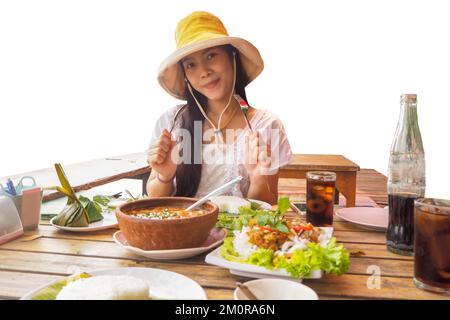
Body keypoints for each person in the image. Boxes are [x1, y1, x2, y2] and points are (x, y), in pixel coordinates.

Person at [146, 11, 292, 204]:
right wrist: (164, 176)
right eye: (191, 65)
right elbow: (154, 200)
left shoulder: (266, 126)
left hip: (240, 234)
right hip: (183, 232)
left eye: (211, 55)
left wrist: (258, 179)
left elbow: (270, 206)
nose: (204, 72)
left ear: (232, 56)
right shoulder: (172, 122)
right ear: (185, 76)